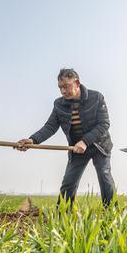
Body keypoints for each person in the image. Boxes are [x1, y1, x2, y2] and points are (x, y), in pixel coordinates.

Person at [17, 68, 116, 207]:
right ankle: (63, 215)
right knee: (69, 182)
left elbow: (104, 124)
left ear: (77, 83)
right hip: (76, 148)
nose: (63, 91)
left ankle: (111, 212)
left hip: (100, 145)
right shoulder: (59, 105)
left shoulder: (96, 98)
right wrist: (33, 140)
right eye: (60, 88)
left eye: (66, 86)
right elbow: (50, 127)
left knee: (104, 176)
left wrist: (85, 141)